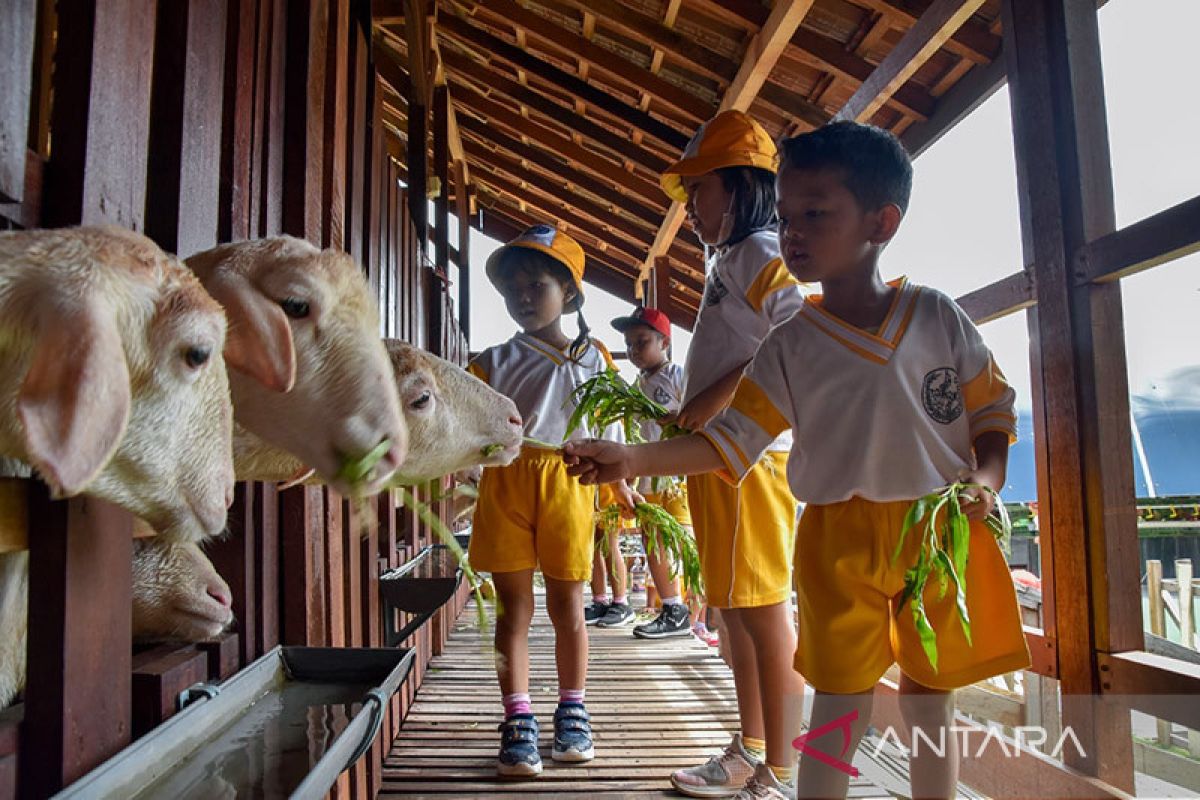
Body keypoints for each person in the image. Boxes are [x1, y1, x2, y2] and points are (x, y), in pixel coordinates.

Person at [564, 121, 1032, 800]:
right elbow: (729, 445)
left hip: (935, 533)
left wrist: (986, 483)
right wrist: (631, 457)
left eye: (816, 214)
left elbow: (993, 411)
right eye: (787, 217)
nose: (793, 233)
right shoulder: (789, 345)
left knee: (931, 704)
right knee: (839, 707)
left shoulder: (936, 316)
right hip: (834, 540)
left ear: (883, 221)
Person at [603, 110, 812, 799]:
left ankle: (780, 768)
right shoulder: (729, 258)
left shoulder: (758, 249)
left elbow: (796, 328)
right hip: (726, 457)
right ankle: (752, 748)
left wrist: (716, 392)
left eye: (699, 190)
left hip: (756, 458)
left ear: (743, 187)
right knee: (736, 612)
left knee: (762, 612)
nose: (690, 206)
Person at [466, 224, 637, 778]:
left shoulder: (597, 361)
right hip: (508, 482)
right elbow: (462, 423)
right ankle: (517, 719)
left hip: (570, 480)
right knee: (514, 608)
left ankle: (572, 709)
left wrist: (621, 482)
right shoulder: (490, 362)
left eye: (536, 284)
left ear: (569, 293)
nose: (521, 296)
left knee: (569, 605)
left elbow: (611, 427)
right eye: (512, 287)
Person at [610, 305, 696, 639]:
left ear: (664, 343)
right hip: (646, 481)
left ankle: (694, 612)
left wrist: (676, 419)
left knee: (682, 544)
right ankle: (673, 608)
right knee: (655, 543)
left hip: (676, 479)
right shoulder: (636, 386)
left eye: (641, 341)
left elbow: (694, 419)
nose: (633, 351)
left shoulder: (677, 377)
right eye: (629, 344)